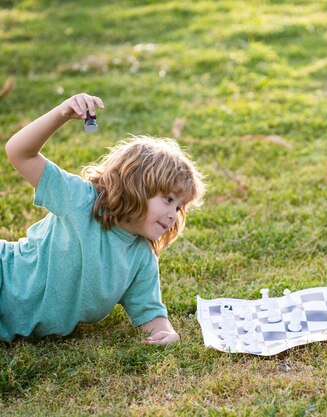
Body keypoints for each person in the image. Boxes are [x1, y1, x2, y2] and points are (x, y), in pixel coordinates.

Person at [1, 93, 205, 344]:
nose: (174, 214)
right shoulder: (80, 200)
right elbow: (19, 152)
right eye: (168, 199)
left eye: (180, 206)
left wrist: (168, 335)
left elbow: (150, 315)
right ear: (136, 186)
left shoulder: (140, 257)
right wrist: (62, 114)